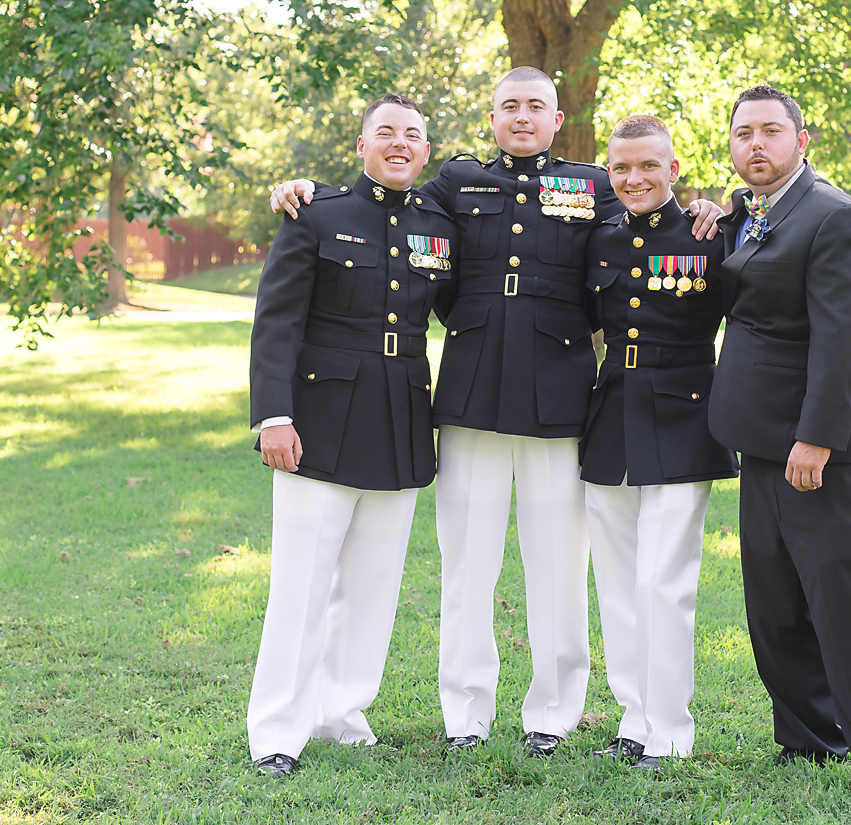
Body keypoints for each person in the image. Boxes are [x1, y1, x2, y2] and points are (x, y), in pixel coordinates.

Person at [268, 69, 724, 757]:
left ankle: (552, 713)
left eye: (536, 106)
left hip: (560, 399)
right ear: (491, 117)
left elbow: (645, 223)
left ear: (557, 119)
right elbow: (389, 208)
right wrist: (303, 189)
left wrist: (709, 208)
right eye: (509, 105)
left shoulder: (594, 185)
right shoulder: (456, 182)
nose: (522, 116)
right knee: (466, 568)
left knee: (559, 572)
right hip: (471, 394)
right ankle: (466, 711)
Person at [707, 85, 851, 792]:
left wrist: (816, 439)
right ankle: (809, 735)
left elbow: (843, 341)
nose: (756, 144)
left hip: (822, 444)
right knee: (775, 599)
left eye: (770, 130)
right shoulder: (747, 213)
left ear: (801, 140)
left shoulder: (836, 217)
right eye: (743, 132)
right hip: (759, 436)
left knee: (844, 598)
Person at [246, 93, 456, 775]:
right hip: (319, 421)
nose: (399, 143)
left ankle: (341, 713)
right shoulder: (316, 213)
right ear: (362, 146)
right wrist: (273, 416)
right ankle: (277, 733)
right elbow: (277, 320)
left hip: (400, 417)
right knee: (301, 586)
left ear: (426, 152)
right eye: (385, 132)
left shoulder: (438, 223)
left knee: (373, 585)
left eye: (412, 135)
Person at [580, 115, 737, 771]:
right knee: (618, 585)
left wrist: (720, 209)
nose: (634, 178)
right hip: (610, 418)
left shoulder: (711, 234)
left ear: (673, 169)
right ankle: (634, 717)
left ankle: (669, 731)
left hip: (683, 420)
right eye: (621, 167)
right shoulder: (598, 238)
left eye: (648, 165)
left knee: (662, 583)